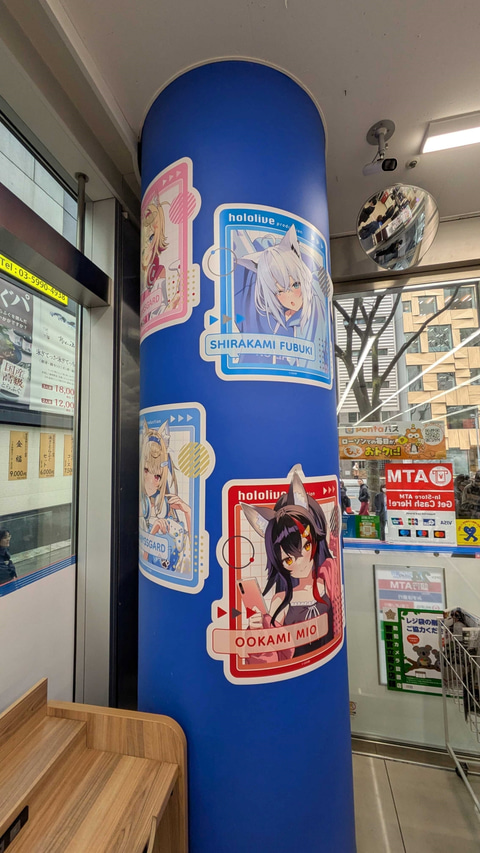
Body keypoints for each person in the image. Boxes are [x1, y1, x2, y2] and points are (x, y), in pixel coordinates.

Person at [241, 471, 342, 662]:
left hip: (325, 663)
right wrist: (256, 630)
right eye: (288, 560)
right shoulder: (281, 600)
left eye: (306, 546)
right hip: (298, 665)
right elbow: (272, 653)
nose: (301, 561)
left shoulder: (327, 581)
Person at [235, 225, 326, 368]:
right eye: (280, 292)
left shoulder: (316, 308)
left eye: (295, 285)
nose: (291, 298)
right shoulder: (260, 311)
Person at [139, 419, 191, 574]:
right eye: (145, 470)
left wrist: (187, 512)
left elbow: (191, 551)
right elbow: (145, 557)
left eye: (157, 476)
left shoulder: (165, 508)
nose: (150, 481)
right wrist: (153, 532)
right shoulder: (143, 509)